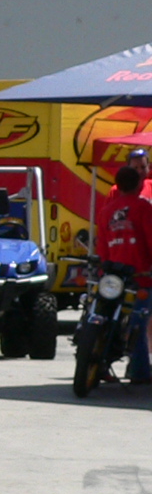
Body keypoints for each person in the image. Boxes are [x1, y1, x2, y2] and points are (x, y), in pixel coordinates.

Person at [92, 162, 152, 383]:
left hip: (113, 277)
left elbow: (102, 248)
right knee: (138, 323)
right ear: (138, 185)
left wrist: (102, 269)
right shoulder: (144, 208)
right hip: (140, 277)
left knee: (106, 318)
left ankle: (101, 362)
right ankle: (139, 372)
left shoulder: (106, 211)